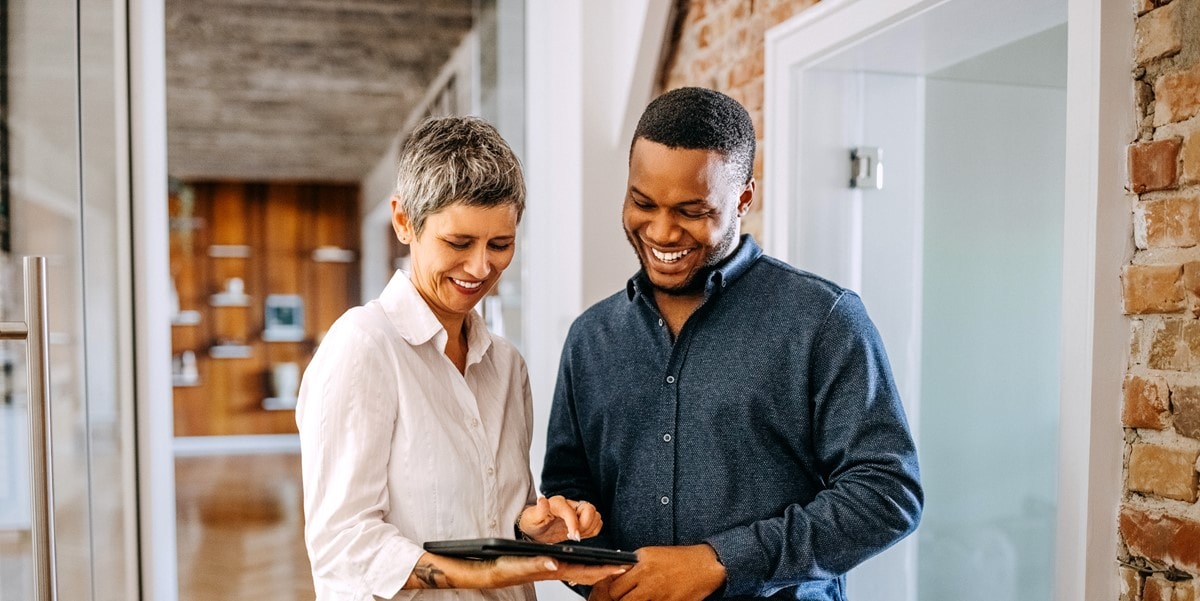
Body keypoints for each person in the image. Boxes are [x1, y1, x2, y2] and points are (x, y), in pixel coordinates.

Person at [541, 87, 923, 601]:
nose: (661, 231)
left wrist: (720, 562)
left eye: (691, 210)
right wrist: (570, 547)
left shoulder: (823, 320)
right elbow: (571, 492)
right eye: (642, 203)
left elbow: (887, 494)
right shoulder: (590, 337)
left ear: (744, 198)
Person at [297, 116, 626, 601]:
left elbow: (487, 515)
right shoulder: (363, 347)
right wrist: (482, 574)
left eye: (501, 244)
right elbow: (342, 545)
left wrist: (531, 528)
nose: (480, 267)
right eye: (458, 242)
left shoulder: (507, 367)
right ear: (404, 220)